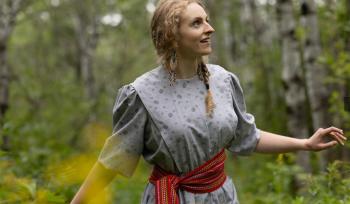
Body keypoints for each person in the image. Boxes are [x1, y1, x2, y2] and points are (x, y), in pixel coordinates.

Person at [70, 0, 347, 203]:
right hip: (171, 198)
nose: (209, 28)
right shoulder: (141, 94)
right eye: (197, 23)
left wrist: (305, 144)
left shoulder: (223, 81)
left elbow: (247, 137)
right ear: (172, 35)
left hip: (223, 196)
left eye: (207, 20)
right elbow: (112, 161)